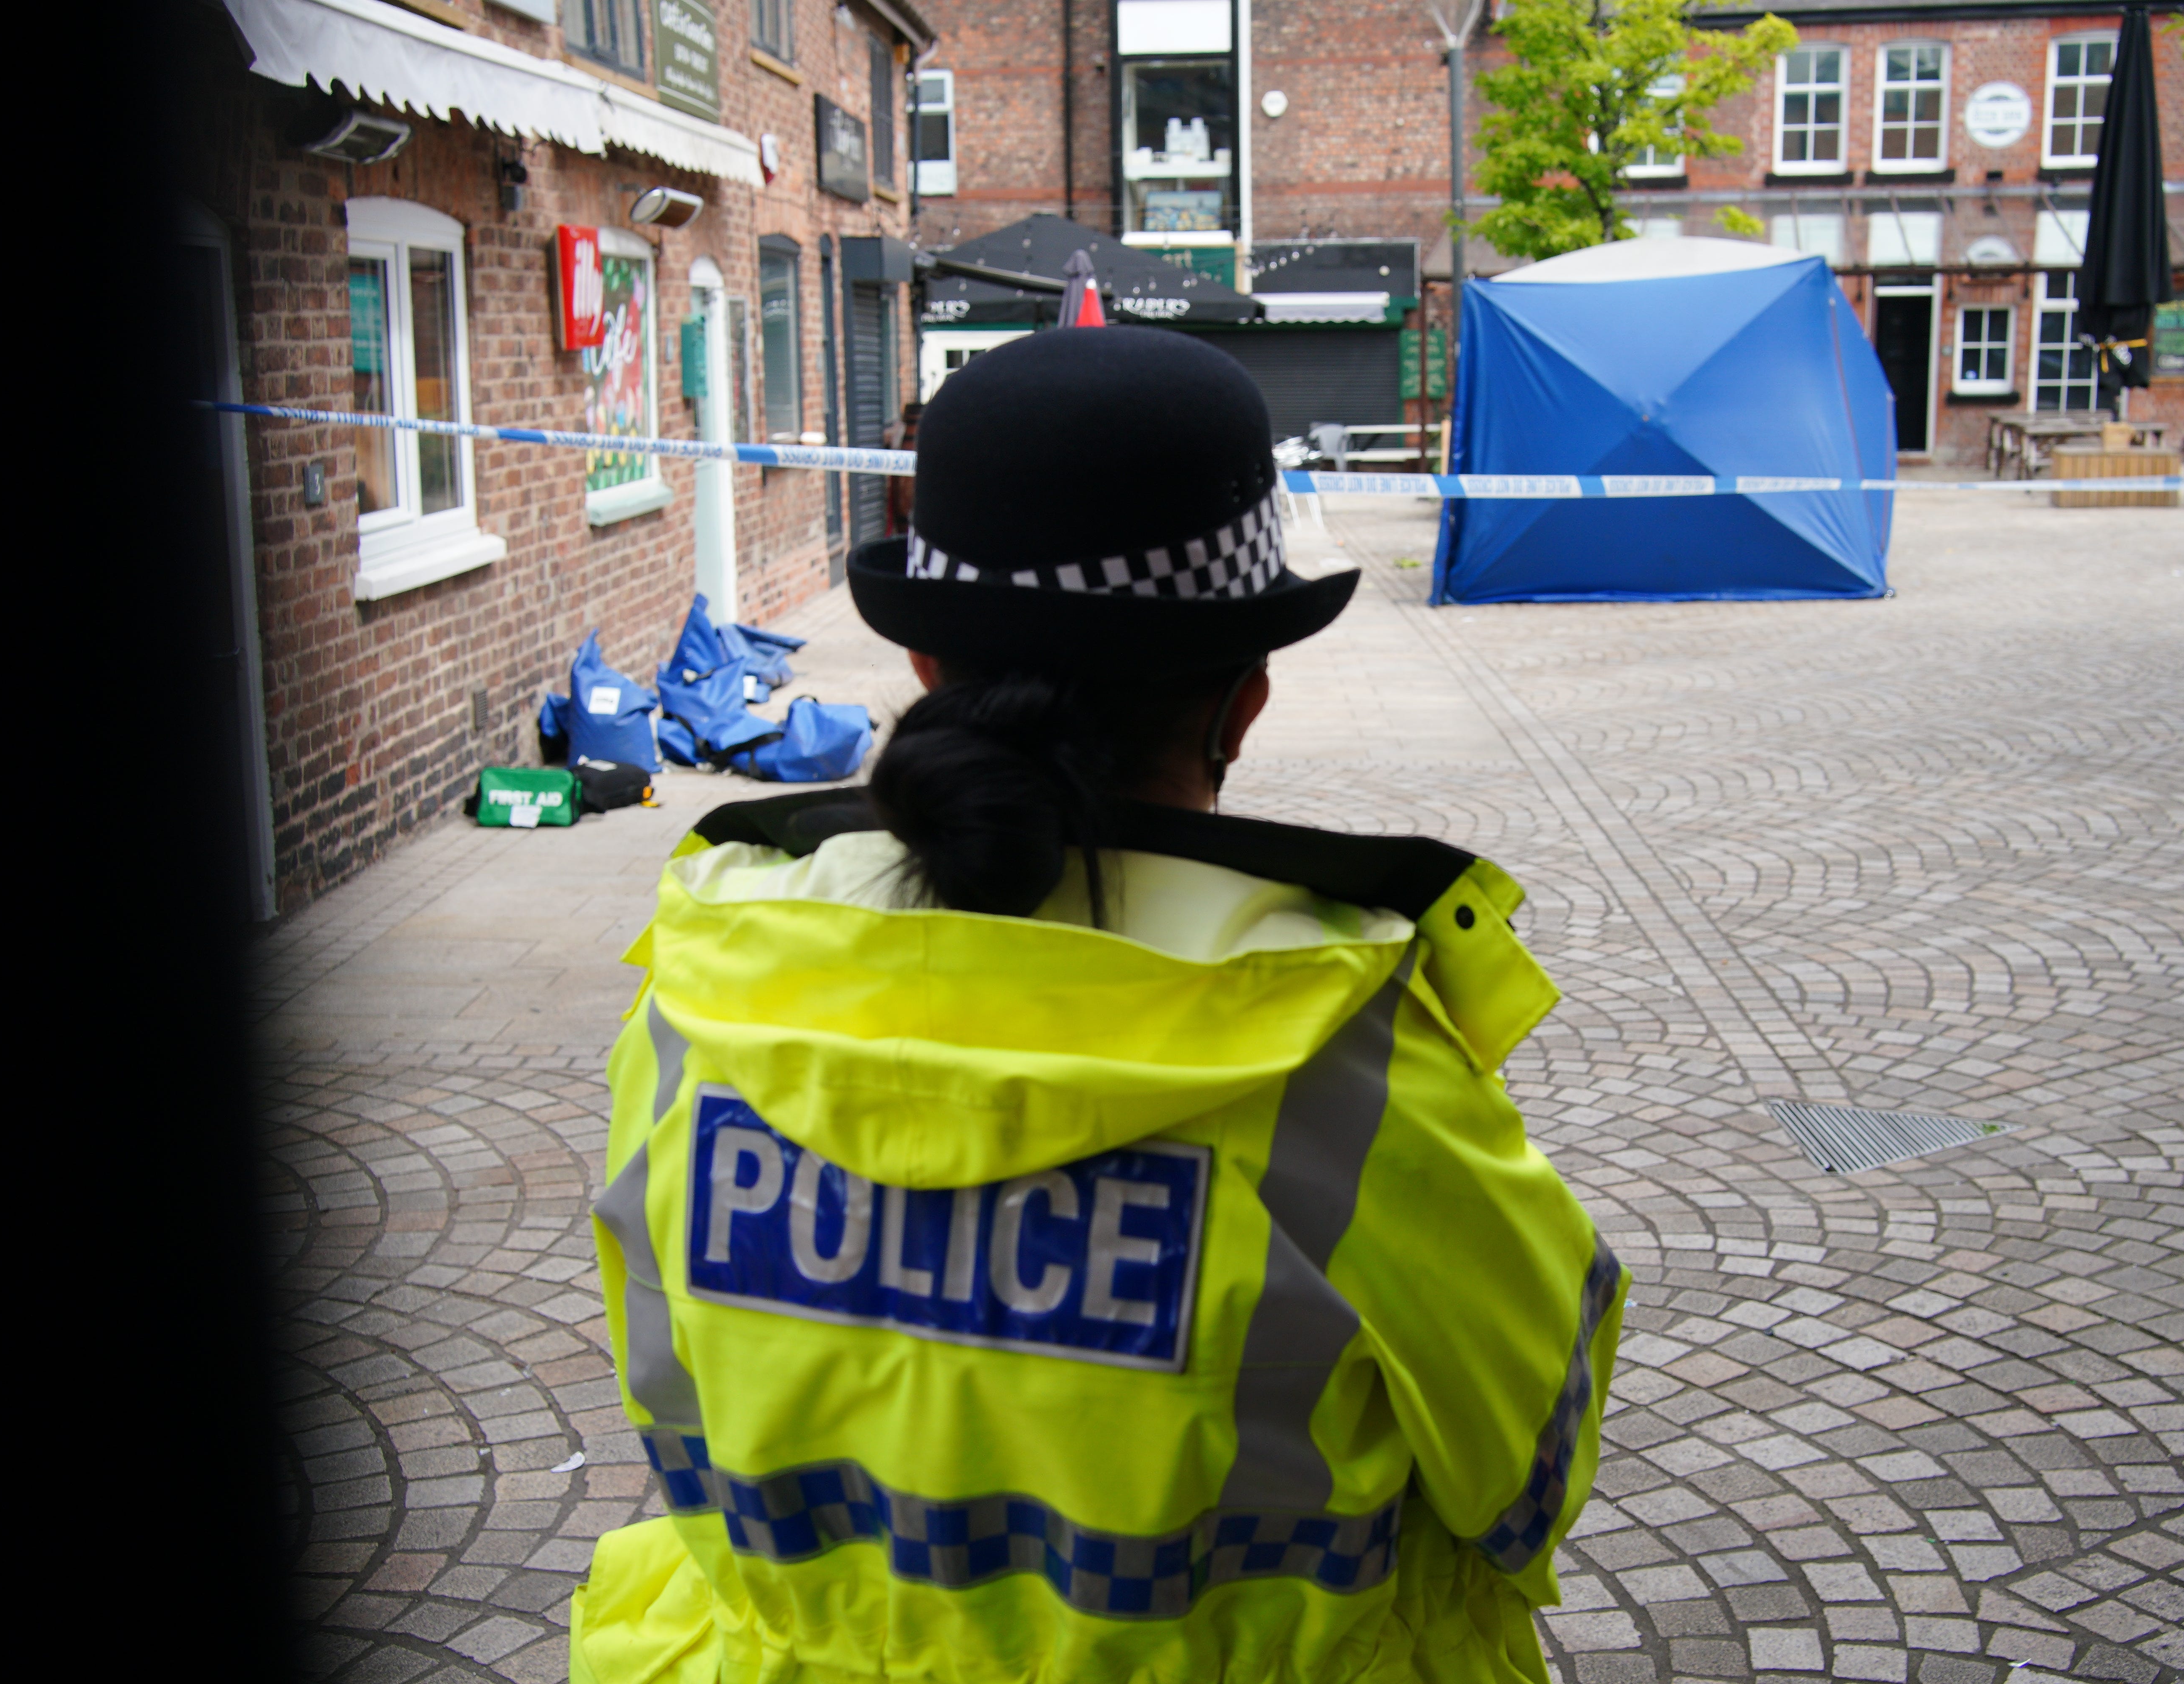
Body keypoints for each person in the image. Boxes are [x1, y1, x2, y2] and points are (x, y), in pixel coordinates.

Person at [573, 327, 1625, 1684]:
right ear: (1239, 703)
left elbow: (668, 1402)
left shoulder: (698, 990)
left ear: (927, 672)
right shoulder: (1350, 1070)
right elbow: (1526, 1481)